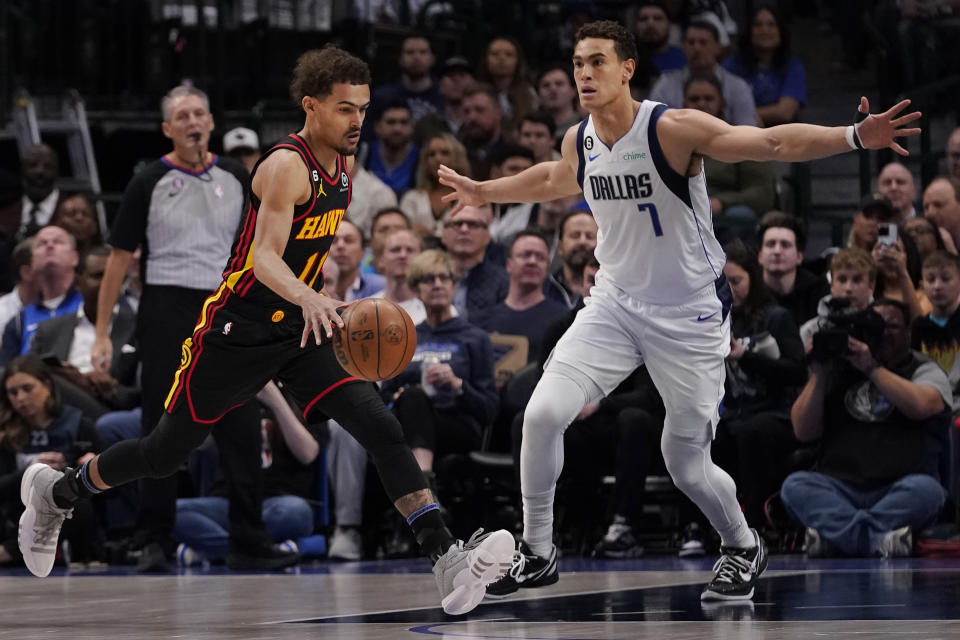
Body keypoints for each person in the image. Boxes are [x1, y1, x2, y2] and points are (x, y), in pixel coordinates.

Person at [18, 45, 513, 616]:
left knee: (381, 426)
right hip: (237, 328)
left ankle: (444, 555)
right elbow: (262, 259)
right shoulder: (284, 165)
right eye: (345, 108)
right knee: (163, 453)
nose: (358, 121)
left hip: (299, 330)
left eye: (364, 108)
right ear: (311, 106)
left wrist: (319, 298)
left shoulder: (346, 166)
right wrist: (309, 295)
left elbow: (306, 255)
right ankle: (59, 493)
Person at [438, 19, 921, 601]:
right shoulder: (578, 139)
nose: (584, 73)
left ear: (626, 69)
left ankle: (742, 545)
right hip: (614, 304)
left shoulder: (672, 128)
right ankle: (537, 551)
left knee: (683, 461)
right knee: (541, 415)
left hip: (689, 315)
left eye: (597, 62)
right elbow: (554, 177)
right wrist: (486, 193)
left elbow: (769, 144)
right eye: (577, 64)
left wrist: (851, 136)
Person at [81, 84, 287, 574]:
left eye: (200, 113)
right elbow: (117, 260)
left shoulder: (238, 175)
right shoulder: (148, 180)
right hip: (166, 307)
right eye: (182, 116)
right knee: (163, 422)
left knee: (240, 418)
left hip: (227, 303)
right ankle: (153, 537)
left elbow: (263, 251)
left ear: (211, 122)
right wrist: (105, 332)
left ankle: (248, 538)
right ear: (168, 129)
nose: (193, 122)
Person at [782, 299, 950, 558]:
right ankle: (876, 539)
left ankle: (838, 539)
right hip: (840, 487)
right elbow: (803, 431)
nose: (881, 333)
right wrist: (819, 375)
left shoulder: (922, 367)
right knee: (795, 486)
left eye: (891, 326)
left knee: (928, 492)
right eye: (875, 327)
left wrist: (872, 368)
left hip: (900, 486)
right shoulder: (837, 368)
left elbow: (922, 405)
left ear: (908, 333)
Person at [722, 4, 806, 127]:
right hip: (739, 134)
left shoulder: (793, 67)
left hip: (783, 135)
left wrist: (747, 114)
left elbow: (785, 112)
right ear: (749, 31)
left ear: (780, 31)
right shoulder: (732, 65)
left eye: (771, 25)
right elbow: (722, 108)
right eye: (758, 25)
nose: (764, 30)